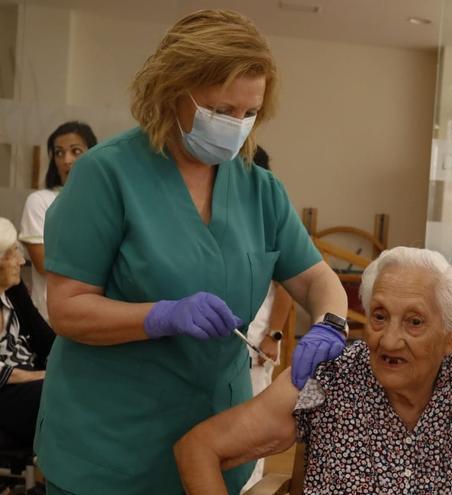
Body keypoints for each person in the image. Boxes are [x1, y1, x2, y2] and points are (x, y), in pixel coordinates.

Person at [36, 10, 347, 494]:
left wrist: (330, 324)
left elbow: (314, 279)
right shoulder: (106, 175)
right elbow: (67, 308)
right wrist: (160, 316)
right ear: (174, 90)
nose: (237, 125)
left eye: (249, 114)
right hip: (110, 444)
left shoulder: (258, 189)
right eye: (223, 111)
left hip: (215, 443)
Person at [174, 247, 452, 495]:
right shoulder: (326, 380)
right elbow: (199, 449)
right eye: (380, 317)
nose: (389, 341)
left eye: (415, 322)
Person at [241, 145, 295, 492]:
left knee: (250, 434)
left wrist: (273, 335)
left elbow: (288, 285)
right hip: (215, 348)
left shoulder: (269, 217)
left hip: (256, 348)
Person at [19, 121, 98, 320]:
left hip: (95, 313)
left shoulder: (103, 202)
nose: (66, 160)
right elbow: (44, 264)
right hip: (49, 317)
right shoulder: (40, 201)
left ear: (93, 153)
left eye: (76, 151)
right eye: (59, 153)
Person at [0, 218, 54, 450]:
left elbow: (45, 339)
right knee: (59, 395)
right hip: (7, 391)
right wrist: (43, 376)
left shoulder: (12, 290)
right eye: (13, 254)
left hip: (32, 381)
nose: (22, 261)